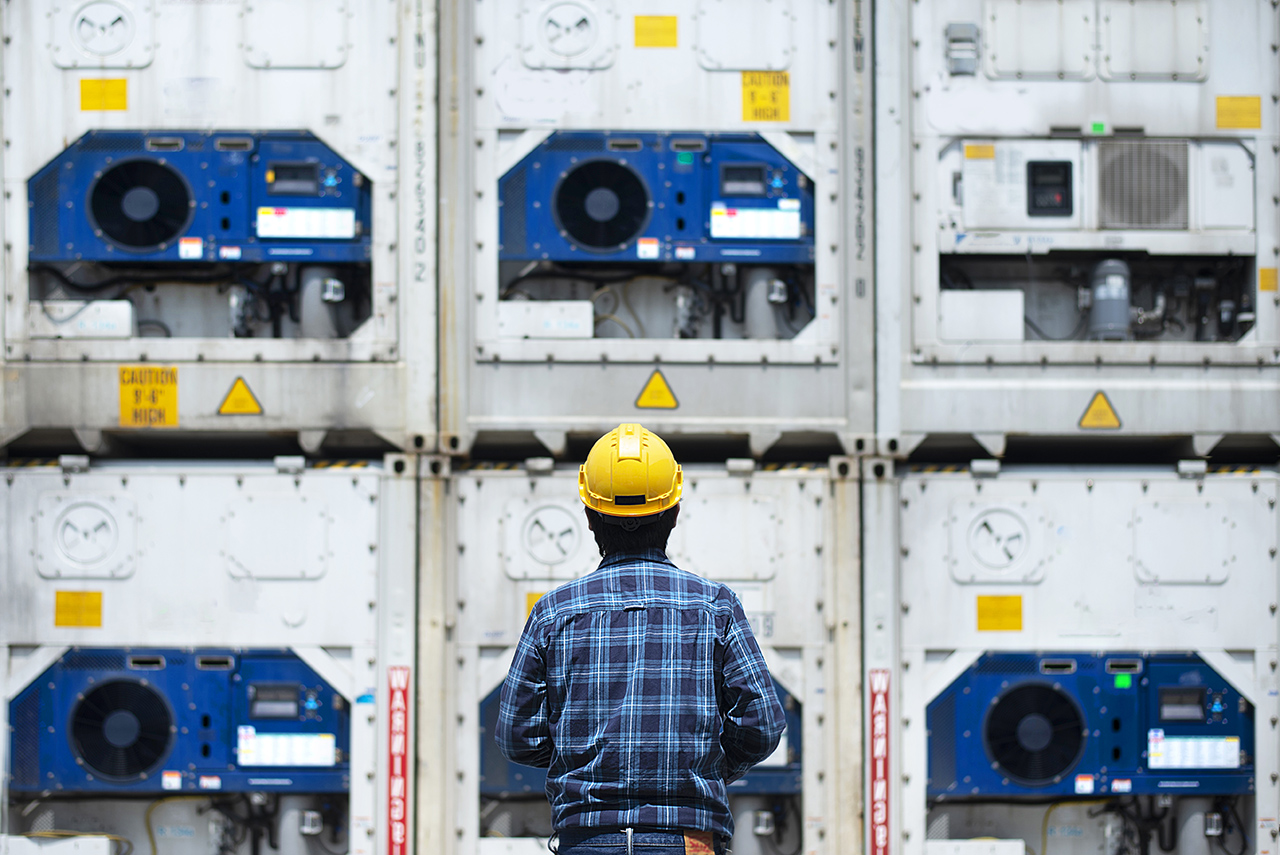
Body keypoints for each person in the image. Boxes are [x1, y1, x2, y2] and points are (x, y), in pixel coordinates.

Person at [496, 423, 786, 855]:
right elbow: (761, 727)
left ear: (590, 517)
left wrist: (582, 761)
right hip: (687, 840)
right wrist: (708, 767)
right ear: (674, 513)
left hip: (587, 840)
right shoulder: (715, 607)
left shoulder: (554, 612)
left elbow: (517, 735)